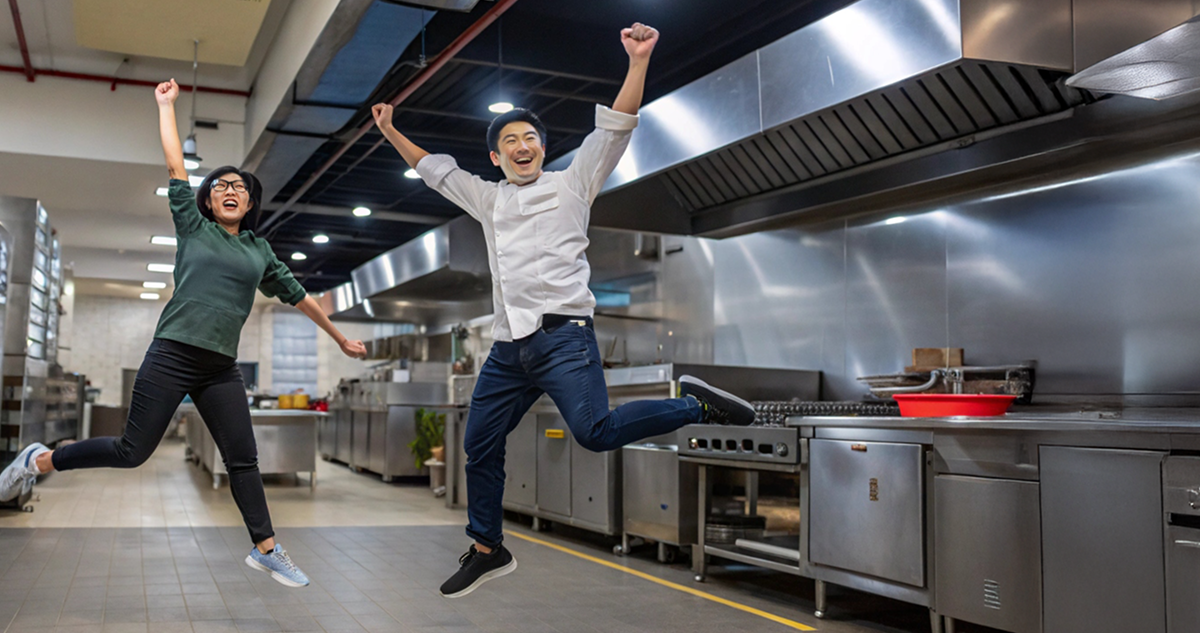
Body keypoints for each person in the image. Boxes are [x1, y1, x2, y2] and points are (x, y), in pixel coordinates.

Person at [372, 22, 756, 598]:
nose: (521, 147)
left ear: (542, 148)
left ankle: (693, 404)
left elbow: (616, 128)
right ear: (496, 157)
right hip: (507, 347)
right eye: (509, 142)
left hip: (563, 339)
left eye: (529, 138)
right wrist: (391, 131)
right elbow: (436, 172)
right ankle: (487, 547)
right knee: (479, 444)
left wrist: (638, 61)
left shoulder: (574, 183)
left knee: (596, 433)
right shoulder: (489, 198)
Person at [0, 79, 368, 588]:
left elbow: (300, 296)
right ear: (208, 202)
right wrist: (166, 106)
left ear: (250, 200)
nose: (230, 190)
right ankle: (41, 460)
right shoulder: (194, 228)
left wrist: (339, 339)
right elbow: (177, 164)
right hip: (172, 354)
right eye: (220, 186)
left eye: (238, 185)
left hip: (220, 367)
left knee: (243, 457)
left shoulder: (260, 251)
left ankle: (267, 548)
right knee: (133, 452)